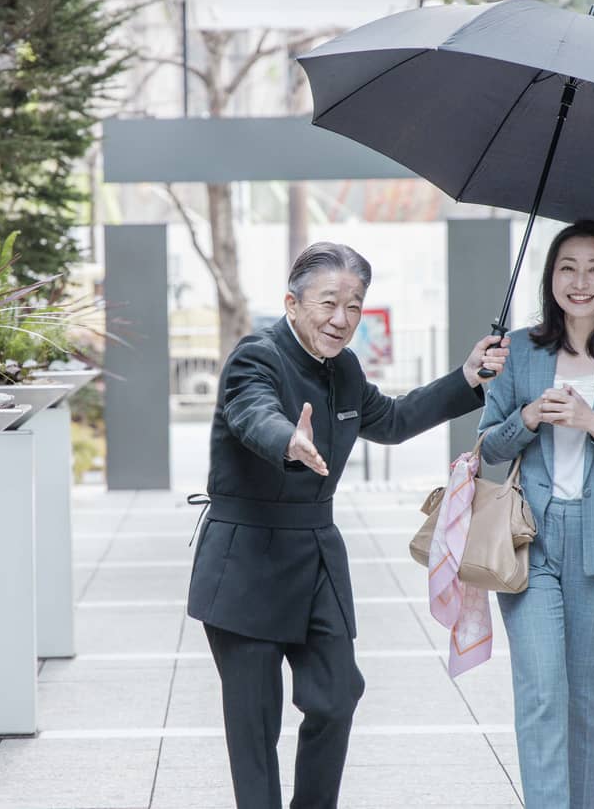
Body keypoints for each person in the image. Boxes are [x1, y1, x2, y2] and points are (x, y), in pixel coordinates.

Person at [188, 241, 506, 809]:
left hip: (314, 558)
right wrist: (287, 439)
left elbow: (391, 419)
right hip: (246, 561)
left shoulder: (345, 368)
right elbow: (251, 410)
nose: (342, 319)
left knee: (337, 695)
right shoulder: (256, 357)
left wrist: (466, 378)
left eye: (354, 306)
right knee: (255, 728)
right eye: (328, 303)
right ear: (292, 302)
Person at [476, 219, 594, 809]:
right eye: (567, 267)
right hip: (527, 538)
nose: (579, 281)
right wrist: (528, 417)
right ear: (550, 279)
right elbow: (487, 447)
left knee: (587, 696)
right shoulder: (521, 352)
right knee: (540, 690)